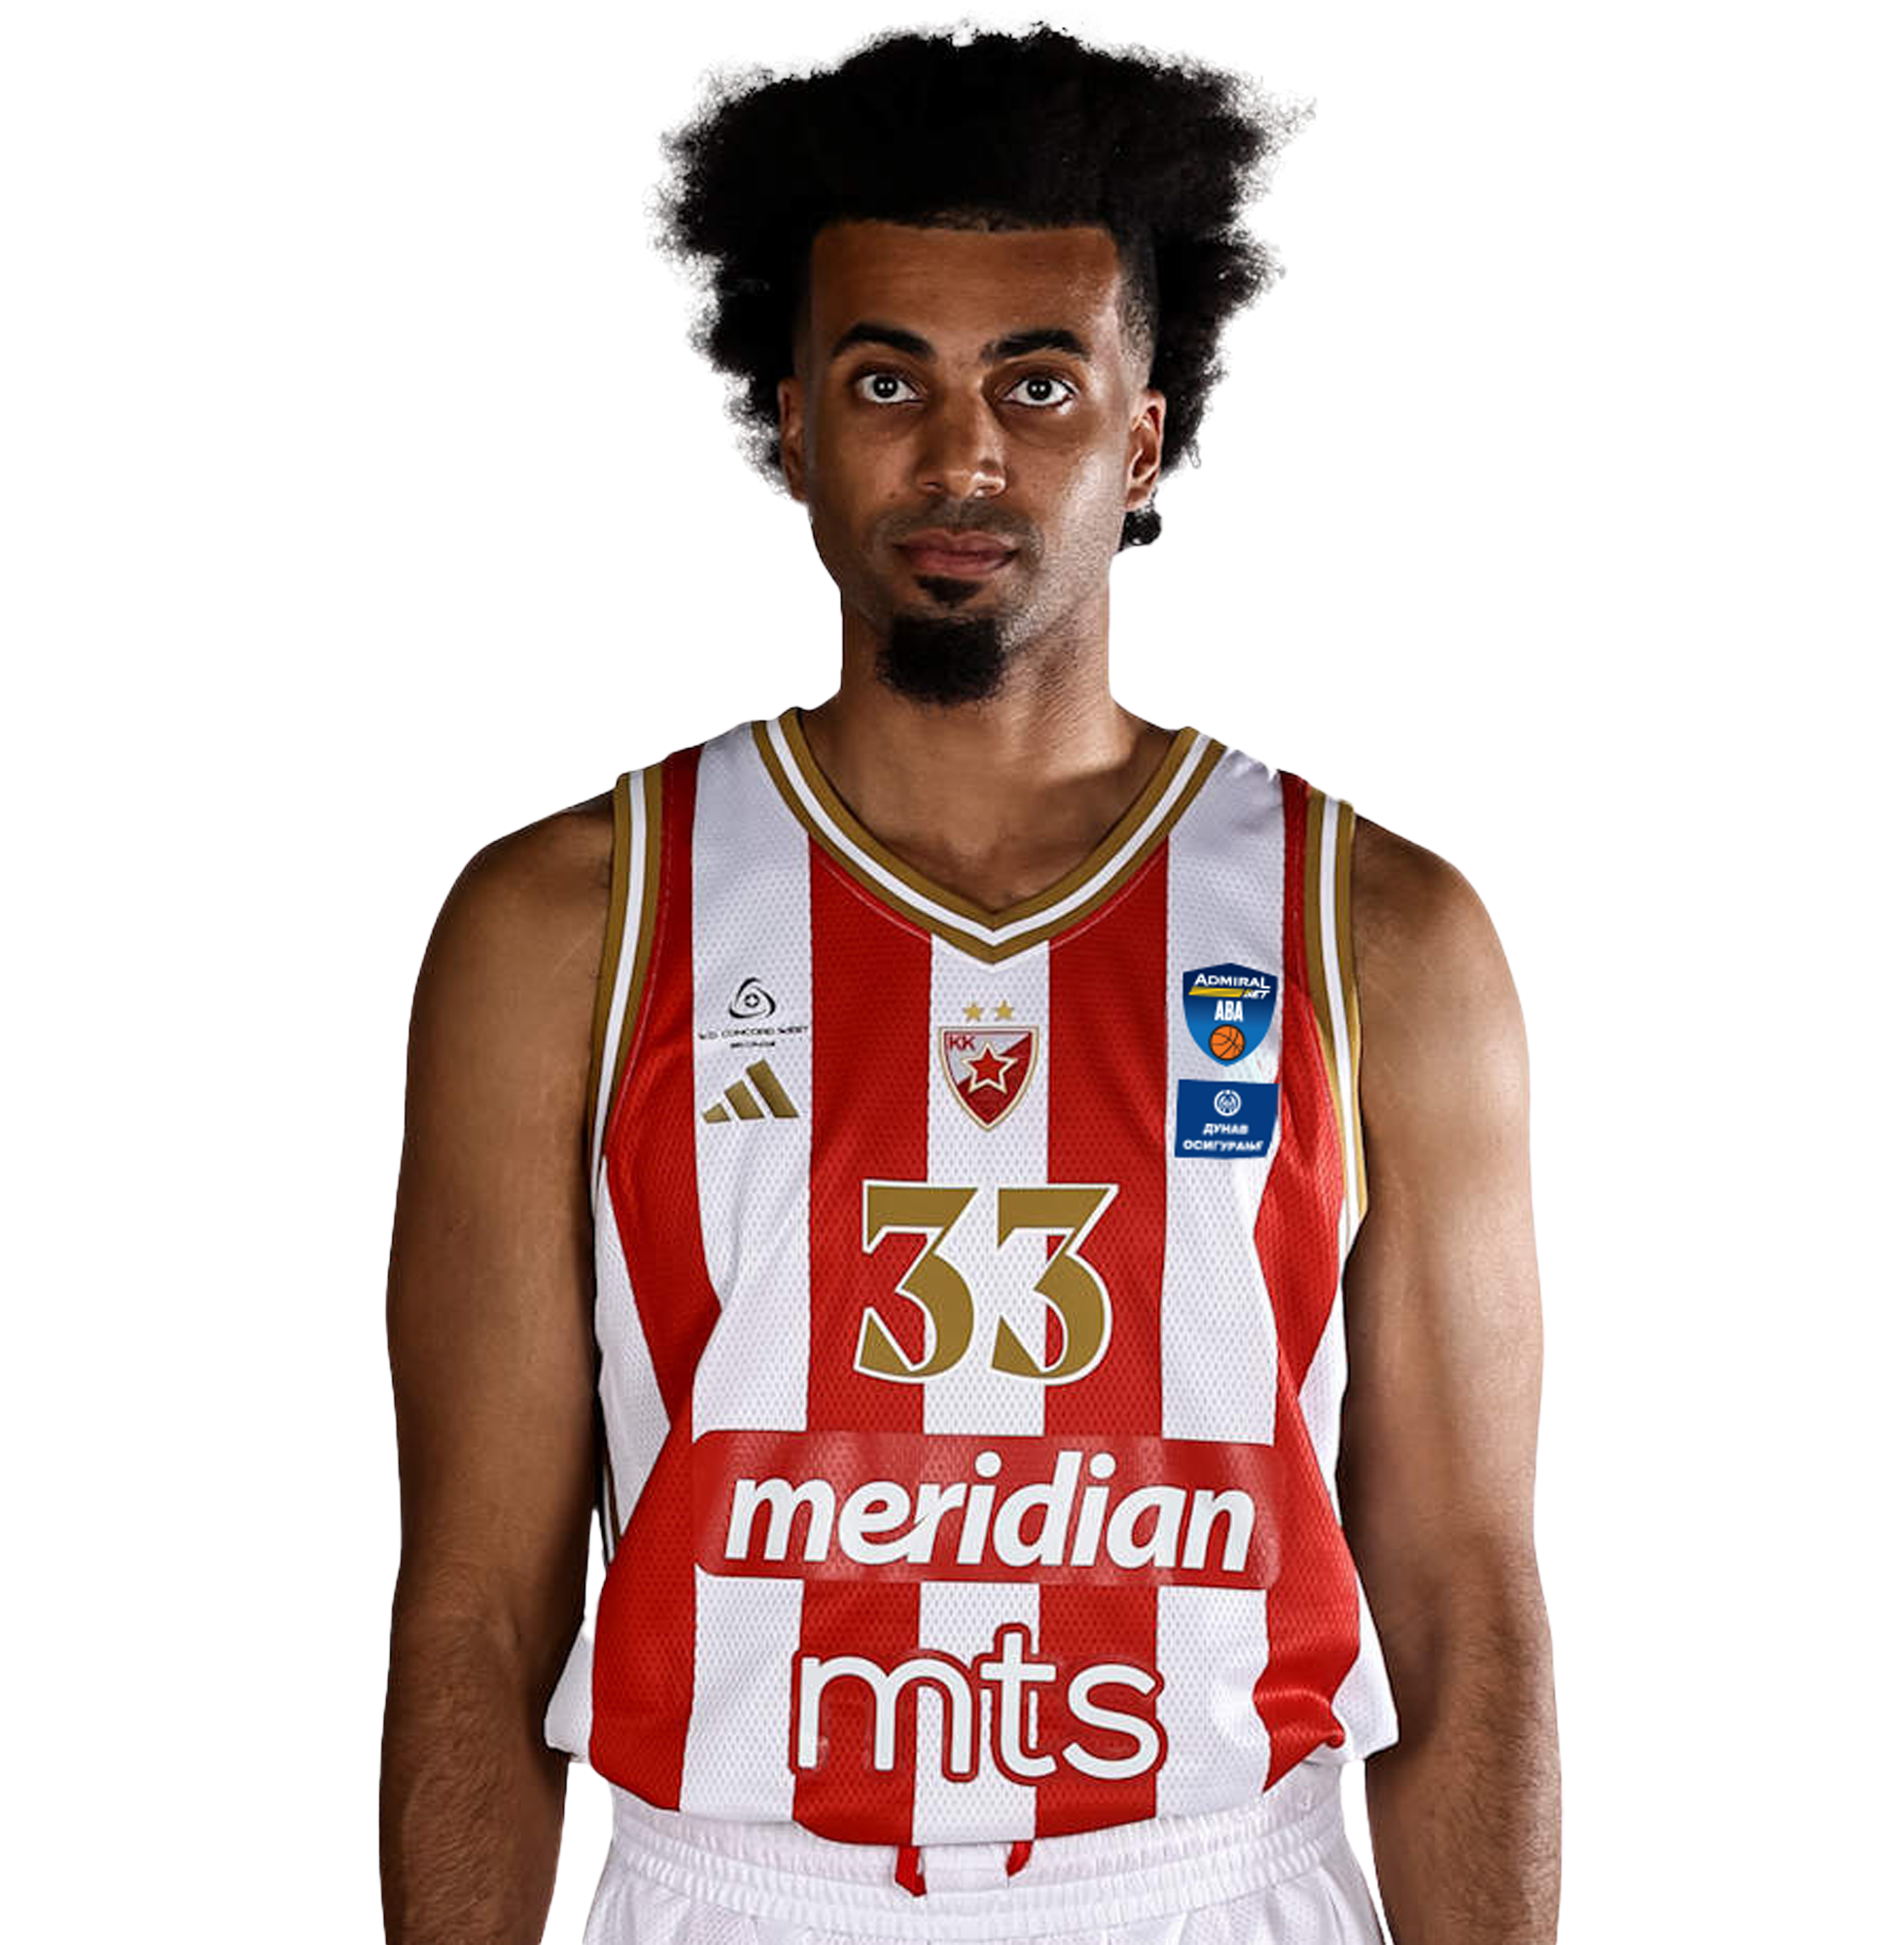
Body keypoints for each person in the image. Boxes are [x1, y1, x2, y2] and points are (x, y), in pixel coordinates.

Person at [379, 24, 1559, 1945]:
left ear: (1142, 437)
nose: (963, 455)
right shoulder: (573, 921)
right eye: (886, 381)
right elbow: (470, 1619)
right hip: (734, 1890)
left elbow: (1463, 1614)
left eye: (1037, 381)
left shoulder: (1375, 931)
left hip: (1216, 1882)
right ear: (792, 426)